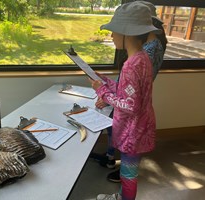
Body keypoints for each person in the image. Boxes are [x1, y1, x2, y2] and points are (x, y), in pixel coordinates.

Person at [89, 2, 161, 200]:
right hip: (141, 127)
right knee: (128, 174)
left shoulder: (131, 65)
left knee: (128, 175)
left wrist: (102, 91)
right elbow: (129, 92)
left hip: (132, 132)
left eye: (114, 32)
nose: (111, 36)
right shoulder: (142, 58)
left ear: (126, 33)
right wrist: (106, 81)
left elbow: (129, 105)